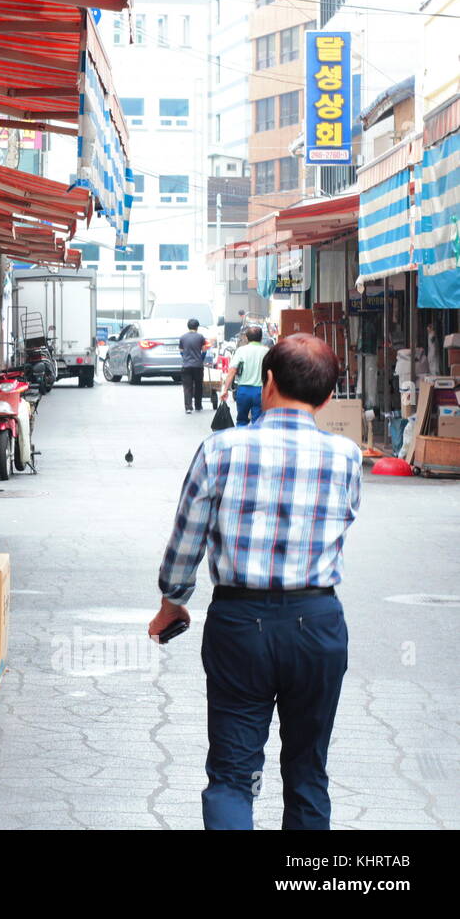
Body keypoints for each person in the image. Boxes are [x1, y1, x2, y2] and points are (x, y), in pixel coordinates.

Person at [148, 334, 362, 830]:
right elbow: (343, 521)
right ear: (328, 398)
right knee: (308, 773)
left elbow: (187, 538)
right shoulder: (347, 457)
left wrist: (173, 602)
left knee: (232, 773)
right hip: (318, 624)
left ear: (267, 381)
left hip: (239, 624)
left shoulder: (220, 448)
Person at [221, 326, 268, 426]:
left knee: (242, 420)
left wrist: (225, 389)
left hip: (243, 391)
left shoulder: (241, 350)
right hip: (260, 391)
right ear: (261, 338)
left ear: (246, 338)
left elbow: (232, 370)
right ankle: (256, 441)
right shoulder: (267, 351)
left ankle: (240, 440)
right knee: (258, 422)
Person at [178, 318, 207, 414]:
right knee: (198, 386)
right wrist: (200, 359)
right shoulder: (201, 337)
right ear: (197, 327)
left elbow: (181, 352)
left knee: (187, 387)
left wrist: (186, 358)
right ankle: (198, 406)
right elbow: (204, 350)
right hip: (198, 366)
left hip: (186, 365)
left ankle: (188, 407)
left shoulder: (182, 337)